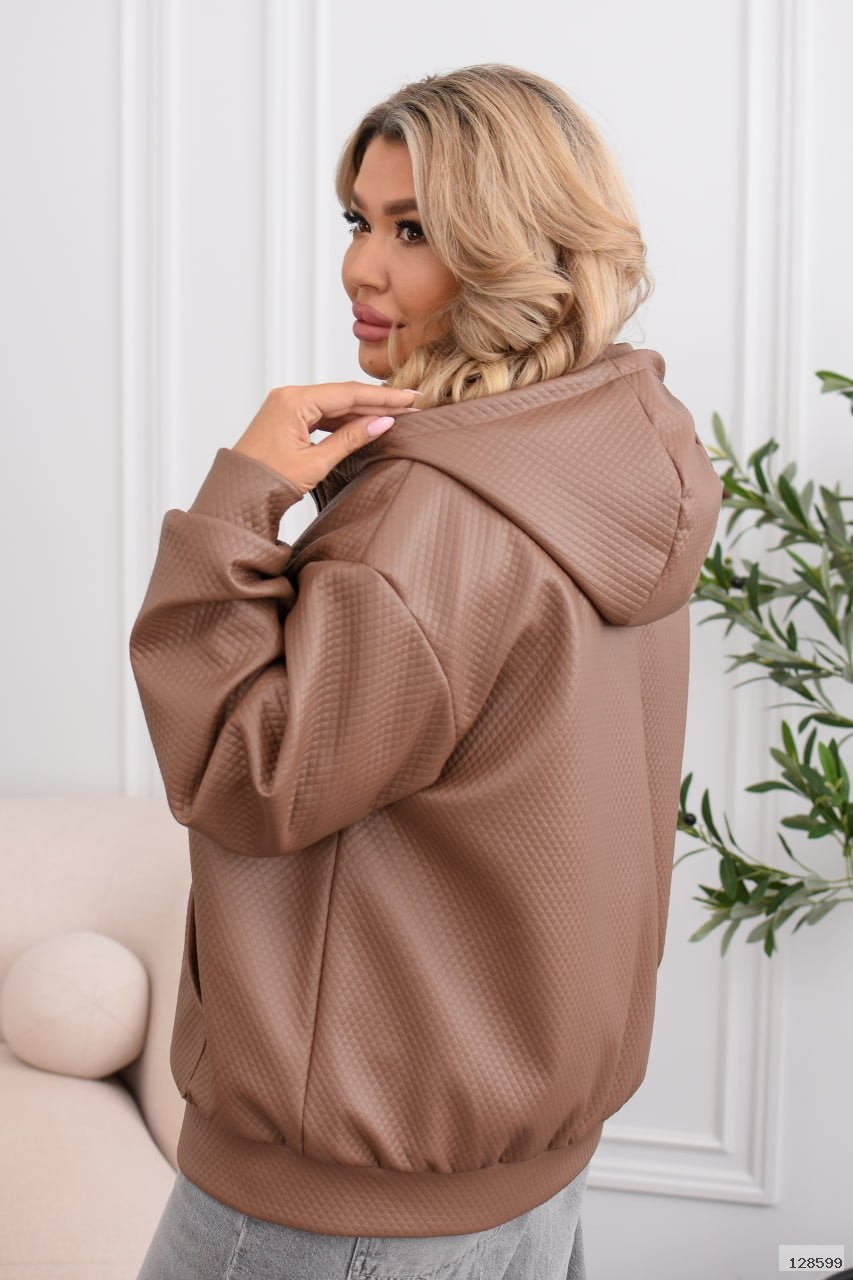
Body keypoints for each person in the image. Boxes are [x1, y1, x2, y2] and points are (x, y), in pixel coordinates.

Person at [131, 63, 722, 1280]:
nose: (361, 266)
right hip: (524, 1178)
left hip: (344, 1205)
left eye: (415, 230)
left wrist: (244, 495)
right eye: (358, 219)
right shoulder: (613, 455)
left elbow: (247, 775)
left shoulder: (429, 519)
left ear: (514, 246)